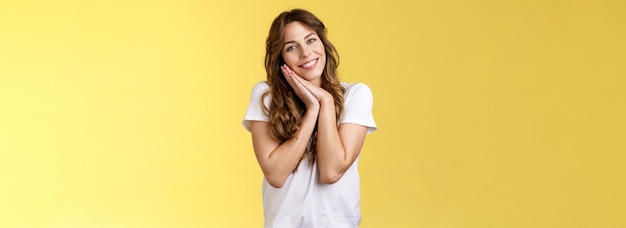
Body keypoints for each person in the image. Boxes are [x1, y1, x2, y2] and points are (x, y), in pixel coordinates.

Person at [242, 8, 377, 228]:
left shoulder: (356, 95)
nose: (306, 53)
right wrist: (313, 109)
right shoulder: (266, 96)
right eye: (292, 47)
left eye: (311, 40)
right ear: (281, 58)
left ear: (323, 43)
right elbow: (275, 175)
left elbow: (331, 172)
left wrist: (326, 103)